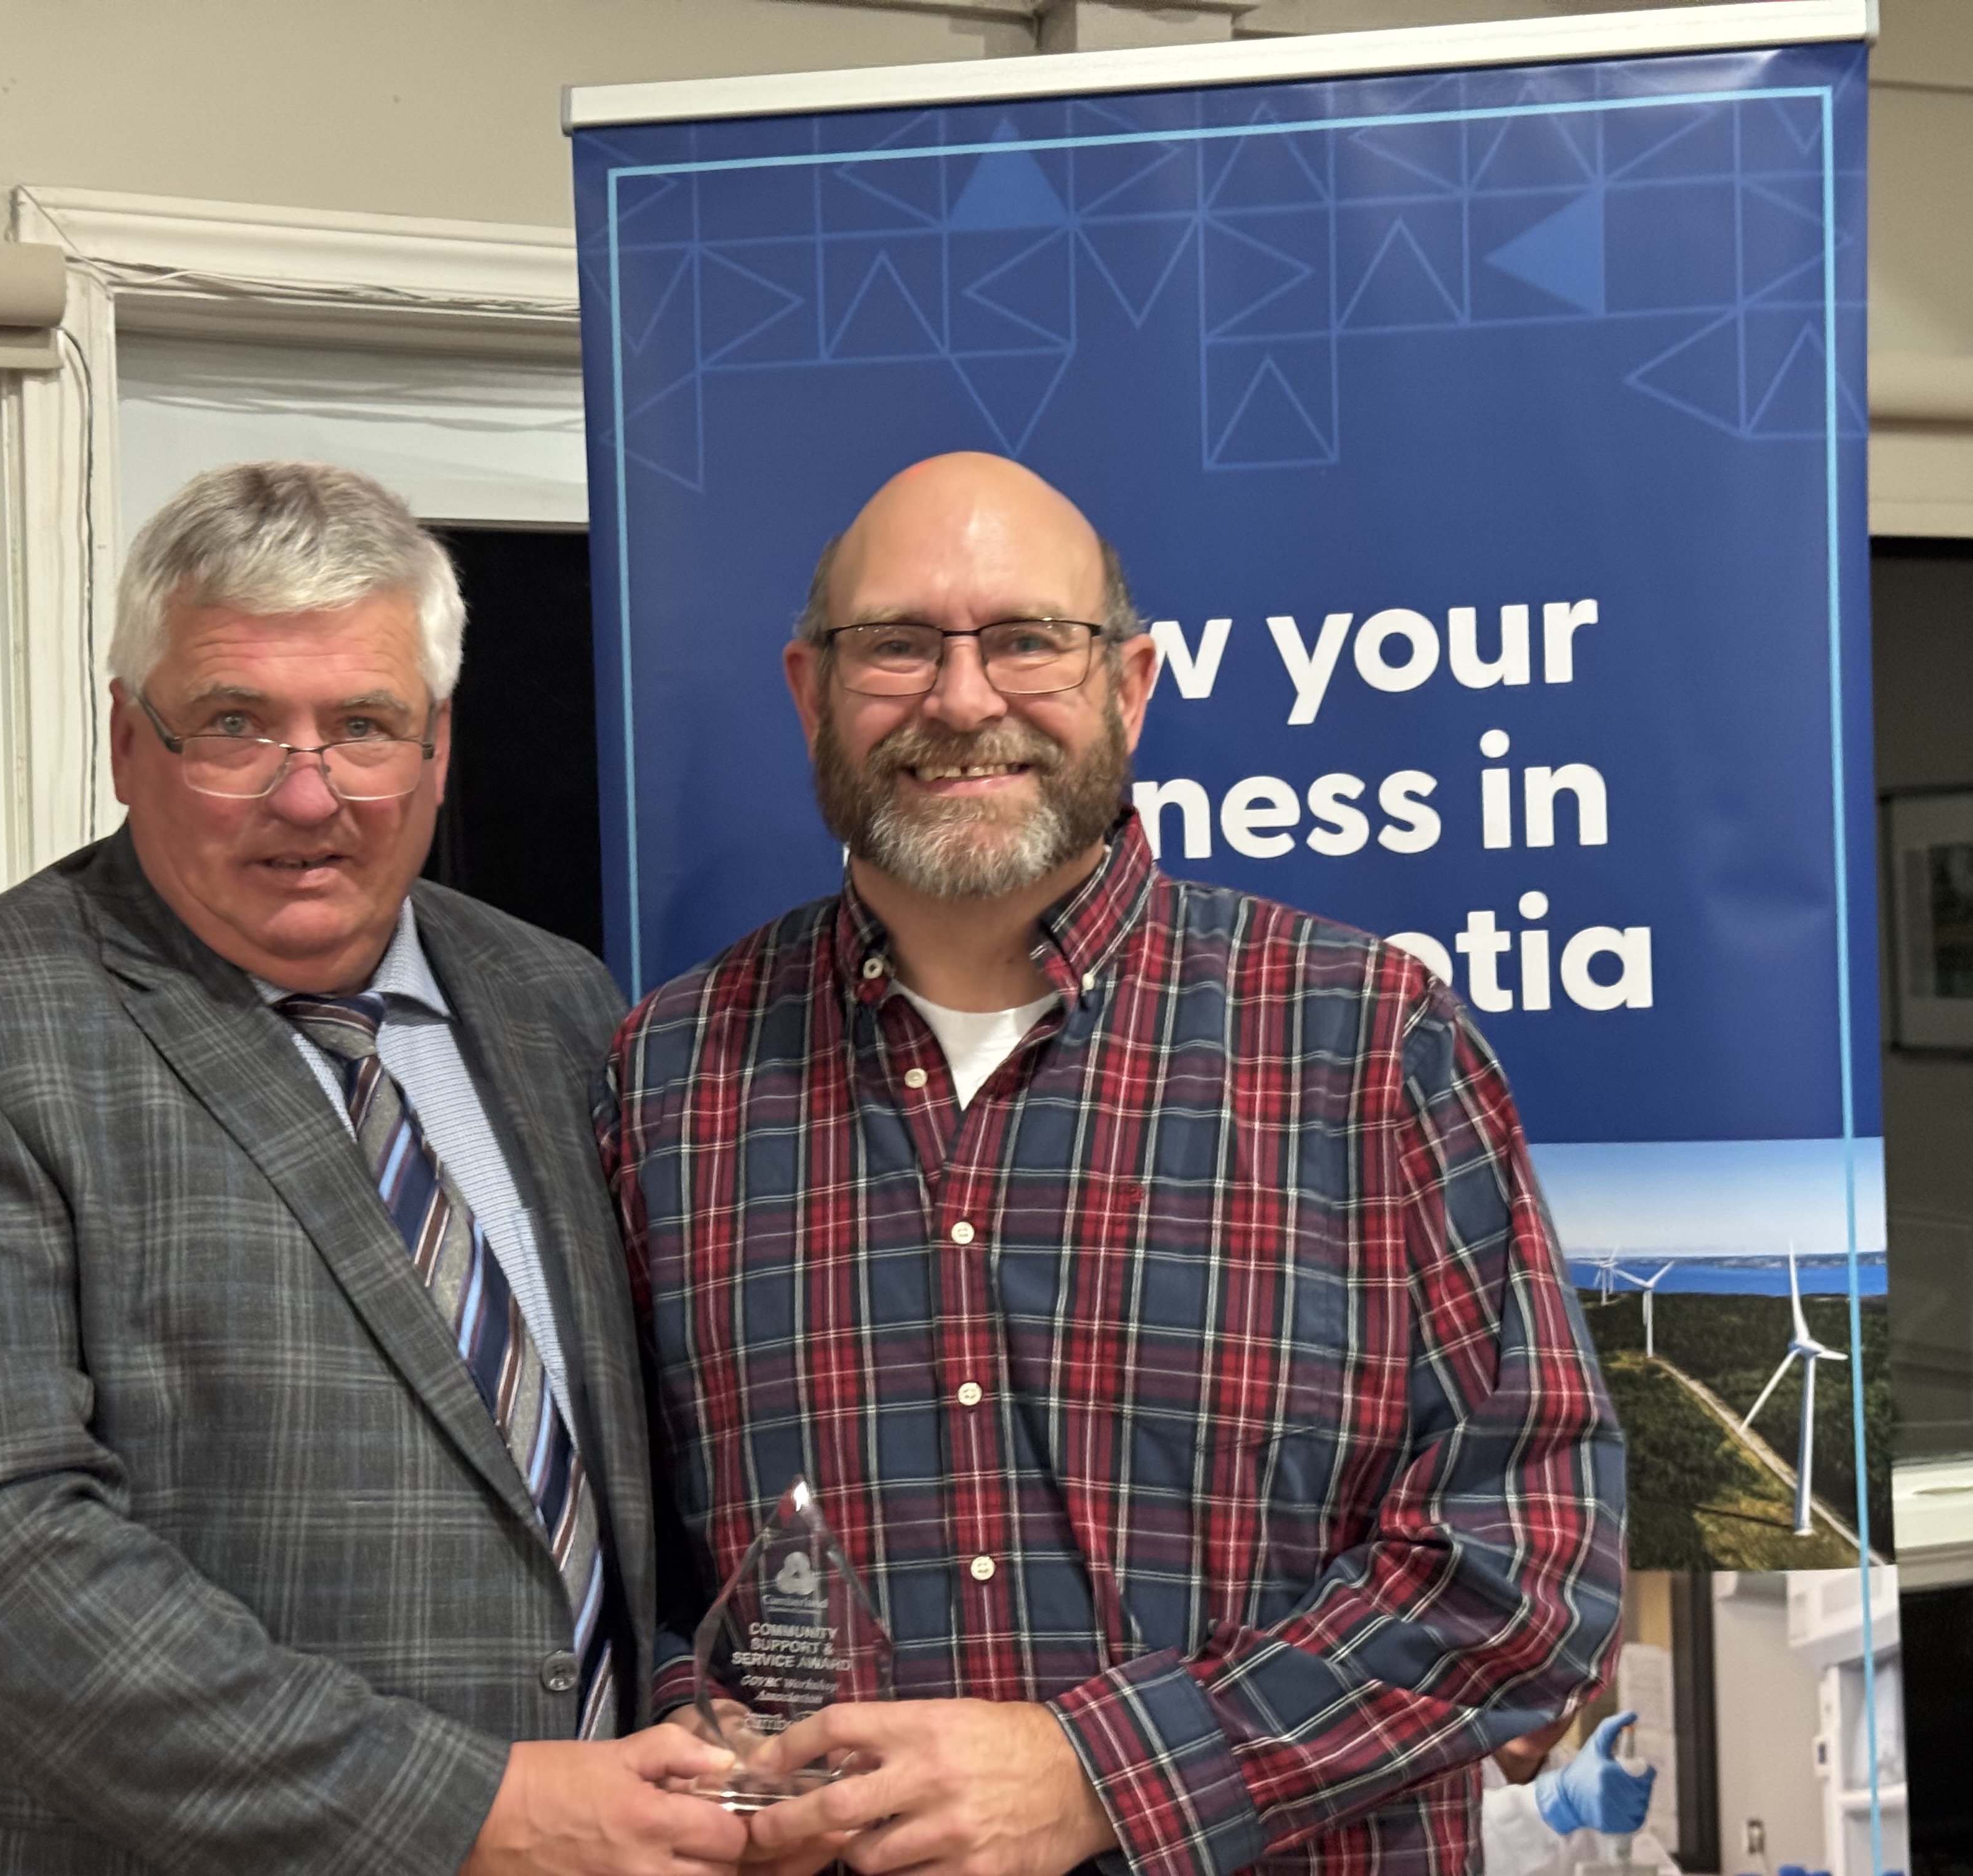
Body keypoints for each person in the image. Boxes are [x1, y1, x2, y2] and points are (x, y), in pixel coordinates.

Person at [600, 452, 1626, 1876]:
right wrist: (701, 1728)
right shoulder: (667, 1081)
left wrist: (1102, 1774)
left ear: (1130, 686)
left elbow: (1524, 1567)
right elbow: (610, 1559)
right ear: (809, 691)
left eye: (1028, 640)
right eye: (896, 645)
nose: (963, 700)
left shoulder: (1369, 1046)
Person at [0, 462, 746, 1876]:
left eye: (364, 725)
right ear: (126, 738)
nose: (310, 794)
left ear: (438, 743)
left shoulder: (556, 1005)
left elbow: (596, 1473)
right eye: (236, 726)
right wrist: (480, 1811)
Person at [1483, 1712, 1669, 1876]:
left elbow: (1652, 1864)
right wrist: (1553, 1802)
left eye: (1560, 1686)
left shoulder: (1590, 1781)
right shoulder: (1455, 1771)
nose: (1538, 1708)